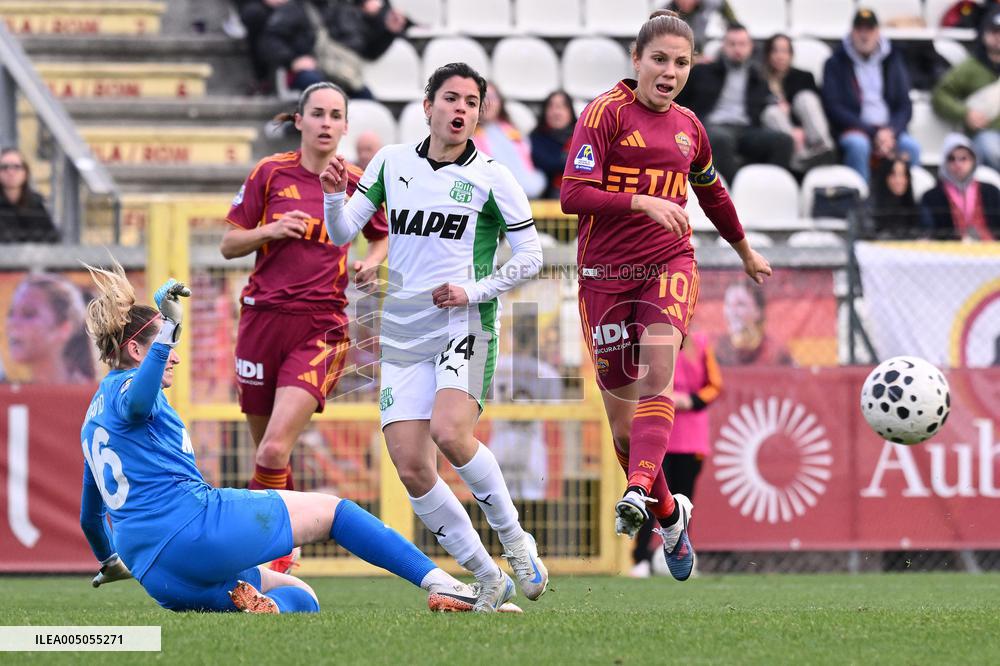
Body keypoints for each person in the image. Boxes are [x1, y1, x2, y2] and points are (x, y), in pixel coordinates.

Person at [78, 261, 505, 614]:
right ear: (137, 351)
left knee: (301, 597)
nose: (174, 355)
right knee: (337, 513)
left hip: (158, 576)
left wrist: (110, 560)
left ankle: (265, 608)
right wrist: (169, 326)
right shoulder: (129, 389)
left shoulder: (91, 422)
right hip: (194, 529)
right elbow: (137, 402)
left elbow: (90, 517)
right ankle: (445, 584)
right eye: (166, 344)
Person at [321, 62, 549, 612]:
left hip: (463, 323)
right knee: (411, 465)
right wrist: (331, 195)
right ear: (428, 107)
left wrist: (473, 291)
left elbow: (532, 256)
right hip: (403, 329)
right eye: (451, 98)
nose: (460, 109)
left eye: (471, 102)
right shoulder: (391, 161)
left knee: (449, 431)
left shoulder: (493, 176)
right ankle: (485, 574)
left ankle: (517, 542)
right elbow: (342, 231)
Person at [560, 11, 772, 582]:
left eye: (681, 63)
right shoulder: (604, 113)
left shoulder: (690, 128)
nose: (669, 72)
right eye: (659, 59)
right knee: (623, 429)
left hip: (667, 264)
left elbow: (712, 191)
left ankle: (636, 490)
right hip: (604, 276)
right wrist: (640, 201)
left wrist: (745, 250)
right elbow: (572, 195)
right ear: (637, 59)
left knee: (659, 372)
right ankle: (670, 515)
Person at [220, 81, 388, 574]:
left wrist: (372, 262)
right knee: (269, 453)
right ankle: (285, 544)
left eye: (335, 115)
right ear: (299, 121)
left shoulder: (356, 181)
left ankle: (261, 561)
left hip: (321, 326)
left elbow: (382, 236)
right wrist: (270, 230)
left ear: (345, 126)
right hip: (261, 321)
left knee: (274, 447)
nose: (326, 123)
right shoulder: (270, 173)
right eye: (317, 113)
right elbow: (228, 245)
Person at [631, 331, 721, 577]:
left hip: (691, 437)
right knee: (649, 499)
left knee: (683, 500)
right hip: (656, 433)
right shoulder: (649, 339)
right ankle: (641, 559)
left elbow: (715, 385)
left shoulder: (701, 343)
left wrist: (690, 400)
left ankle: (681, 556)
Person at [673, 23, 794, 183]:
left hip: (746, 130)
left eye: (742, 44)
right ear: (724, 46)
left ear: (750, 47)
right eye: (732, 44)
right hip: (712, 127)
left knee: (783, 141)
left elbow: (769, 100)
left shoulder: (758, 77)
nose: (737, 49)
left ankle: (772, 187)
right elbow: (679, 100)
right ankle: (734, 190)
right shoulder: (703, 72)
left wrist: (779, 105)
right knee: (722, 139)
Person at [821, 8, 921, 182]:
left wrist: (891, 131)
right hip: (854, 128)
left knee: (911, 147)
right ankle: (861, 195)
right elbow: (833, 107)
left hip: (890, 130)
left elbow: (905, 105)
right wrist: (873, 132)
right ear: (852, 32)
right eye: (860, 29)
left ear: (878, 32)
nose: (864, 35)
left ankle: (907, 197)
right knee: (858, 145)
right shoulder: (835, 62)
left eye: (869, 29)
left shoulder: (893, 59)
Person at [932, 5, 1000, 172]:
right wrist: (965, 113)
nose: (998, 37)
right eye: (994, 31)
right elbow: (940, 95)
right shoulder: (970, 67)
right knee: (990, 146)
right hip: (986, 134)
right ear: (984, 34)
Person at [761, 34, 836, 171]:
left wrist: (798, 127)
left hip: (806, 128)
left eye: (784, 51)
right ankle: (801, 159)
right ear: (768, 54)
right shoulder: (759, 80)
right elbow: (755, 108)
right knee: (772, 112)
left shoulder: (804, 77)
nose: (780, 56)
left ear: (791, 55)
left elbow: (815, 108)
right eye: (775, 51)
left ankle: (823, 147)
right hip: (782, 132)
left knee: (806, 97)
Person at [5, 273, 95, 384]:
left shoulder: (95, 393)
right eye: (11, 313)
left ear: (64, 329)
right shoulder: (13, 390)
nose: (12, 323)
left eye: (28, 314)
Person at [473, 82, 547, 199]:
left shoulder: (512, 129)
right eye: (483, 97)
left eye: (492, 97)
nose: (488, 102)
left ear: (500, 102)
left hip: (527, 193)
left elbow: (527, 164)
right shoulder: (468, 134)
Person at [920, 133, 1000, 240]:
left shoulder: (991, 192)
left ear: (974, 160)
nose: (958, 164)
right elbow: (929, 234)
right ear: (944, 163)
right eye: (951, 159)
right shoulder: (931, 197)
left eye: (963, 158)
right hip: (949, 249)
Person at [714, 280, 792, 366]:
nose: (732, 311)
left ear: (758, 311)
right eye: (728, 304)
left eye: (740, 304)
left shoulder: (774, 352)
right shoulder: (719, 349)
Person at [0, 148, 59, 243]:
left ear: (25, 172)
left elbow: (51, 239)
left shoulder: (36, 204)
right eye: (4, 167)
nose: (10, 172)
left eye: (17, 167)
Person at [530, 90, 578, 199]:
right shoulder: (536, 138)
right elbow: (546, 163)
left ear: (570, 111)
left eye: (562, 107)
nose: (556, 112)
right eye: (551, 107)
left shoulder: (581, 136)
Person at [868, 158, 921, 238]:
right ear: (884, 177)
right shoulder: (871, 207)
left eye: (903, 175)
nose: (898, 181)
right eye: (893, 175)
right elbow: (869, 236)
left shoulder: (912, 207)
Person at [663, 0, 739, 53]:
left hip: (703, 42)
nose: (686, 2)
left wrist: (734, 27)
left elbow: (723, 5)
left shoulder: (710, 3)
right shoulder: (665, 15)